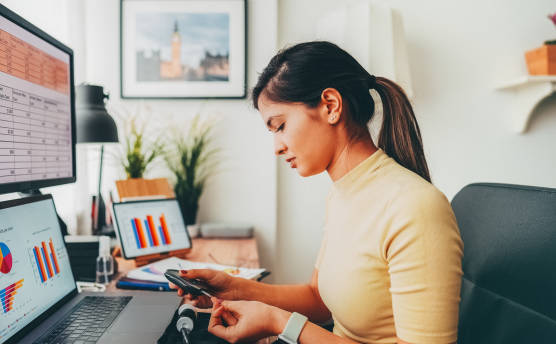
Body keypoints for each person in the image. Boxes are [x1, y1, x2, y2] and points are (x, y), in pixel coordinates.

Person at [170, 41, 463, 344]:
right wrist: (233, 288)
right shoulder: (342, 194)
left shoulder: (415, 207)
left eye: (280, 125)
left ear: (331, 106)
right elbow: (319, 300)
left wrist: (279, 322)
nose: (277, 147)